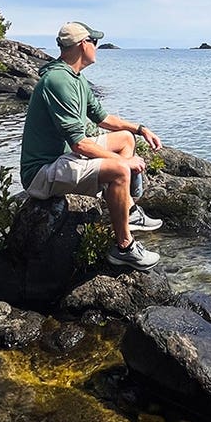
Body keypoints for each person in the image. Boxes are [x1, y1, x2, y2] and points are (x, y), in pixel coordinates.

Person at [19, 21, 164, 270]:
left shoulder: (76, 79)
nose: (97, 47)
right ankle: (124, 248)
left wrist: (140, 129)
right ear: (82, 44)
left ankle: (127, 210)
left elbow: (105, 119)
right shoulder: (58, 81)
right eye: (94, 42)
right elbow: (79, 144)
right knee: (118, 170)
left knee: (125, 139)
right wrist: (123, 164)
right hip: (42, 171)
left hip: (63, 157)